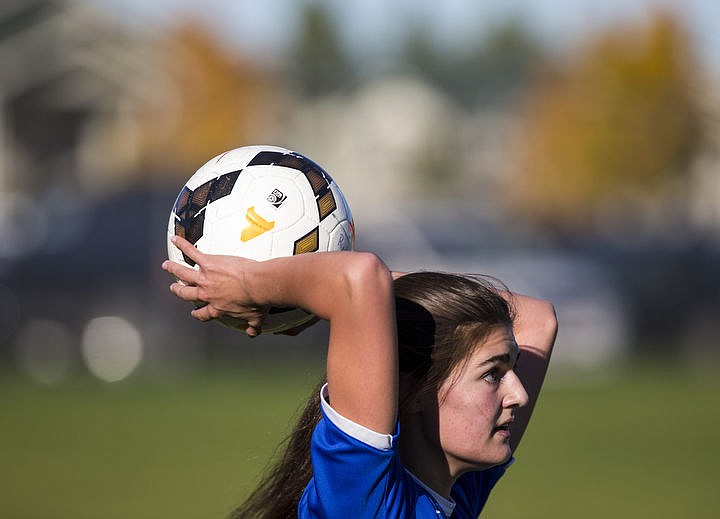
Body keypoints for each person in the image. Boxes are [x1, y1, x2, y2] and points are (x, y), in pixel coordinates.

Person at [162, 234, 558, 518]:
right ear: (414, 390)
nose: (519, 394)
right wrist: (256, 285)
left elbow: (538, 320)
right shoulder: (364, 502)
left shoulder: (447, 493)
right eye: (493, 374)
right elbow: (360, 276)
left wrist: (330, 304)